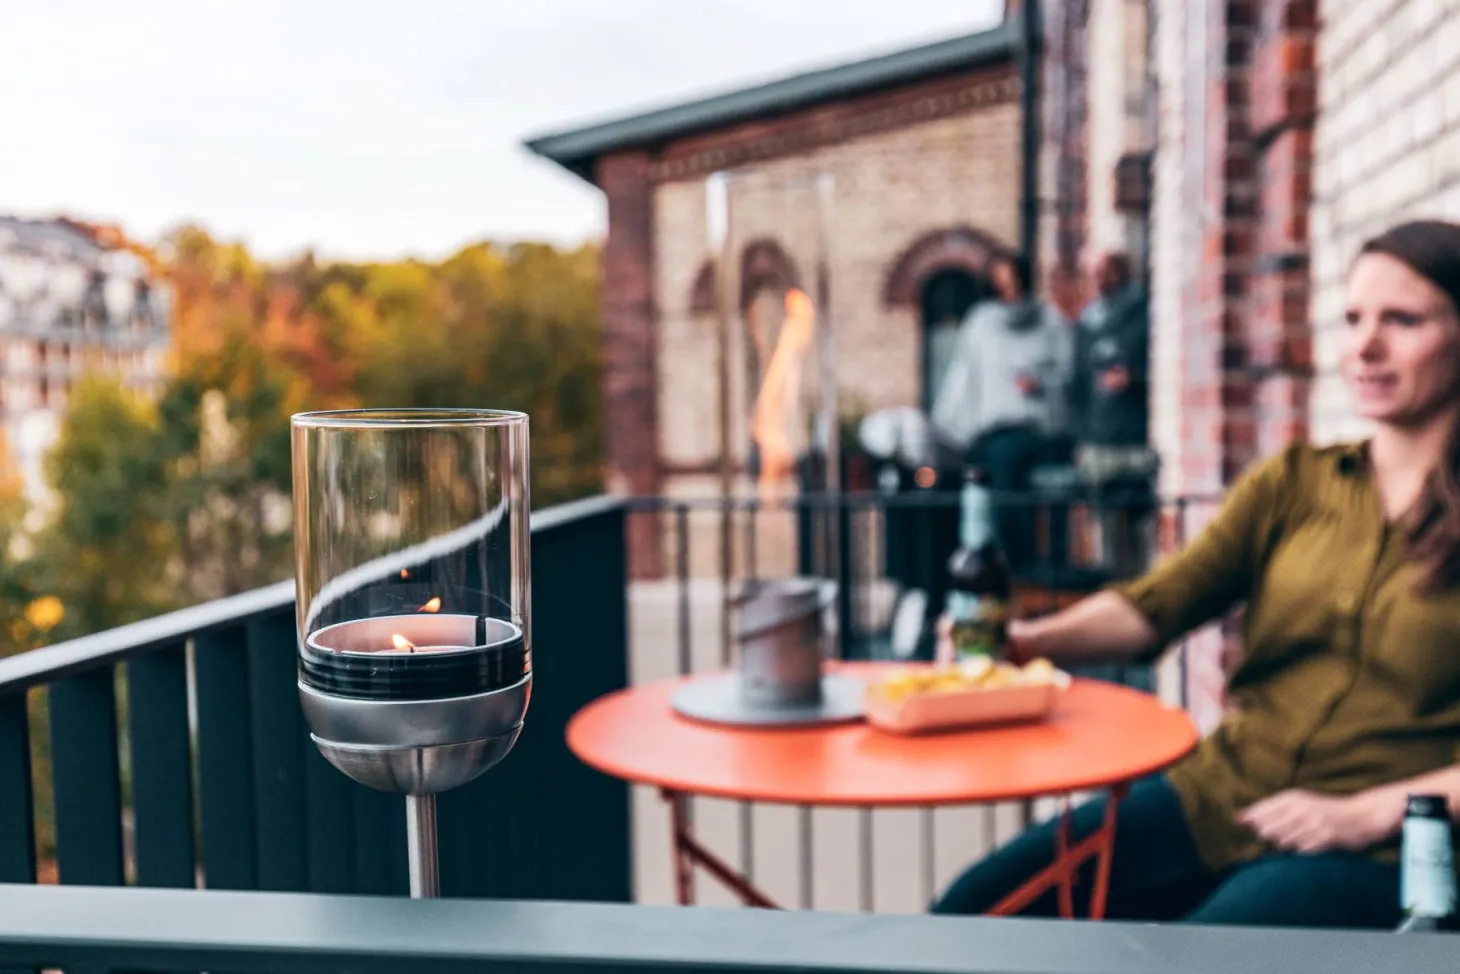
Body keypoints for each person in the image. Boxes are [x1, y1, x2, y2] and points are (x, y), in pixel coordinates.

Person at [931, 219, 1460, 929]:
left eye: (1402, 320)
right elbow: (1158, 605)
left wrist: (1370, 812)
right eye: (1353, 319)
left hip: (1385, 847)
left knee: (1195, 959)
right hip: (1225, 792)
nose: (1365, 346)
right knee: (968, 915)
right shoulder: (1295, 482)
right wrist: (1023, 643)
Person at [929, 253, 1073, 572]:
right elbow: (963, 378)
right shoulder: (981, 324)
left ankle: (1052, 572)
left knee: (1054, 498)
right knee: (1003, 501)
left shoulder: (1050, 321)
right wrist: (947, 428)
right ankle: (1018, 569)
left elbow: (1068, 373)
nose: (1009, 290)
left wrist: (1040, 383)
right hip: (998, 435)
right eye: (1000, 284)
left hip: (1044, 431)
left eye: (1013, 281)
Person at [1070, 250, 1158, 575]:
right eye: (1092, 273)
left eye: (1103, 272)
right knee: (1103, 537)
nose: (1098, 280)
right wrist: (1081, 440)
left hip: (1137, 440)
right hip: (1099, 443)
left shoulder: (1144, 314)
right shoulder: (1087, 324)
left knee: (1141, 532)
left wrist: (1133, 379)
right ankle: (1108, 592)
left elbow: (1161, 370)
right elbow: (1078, 385)